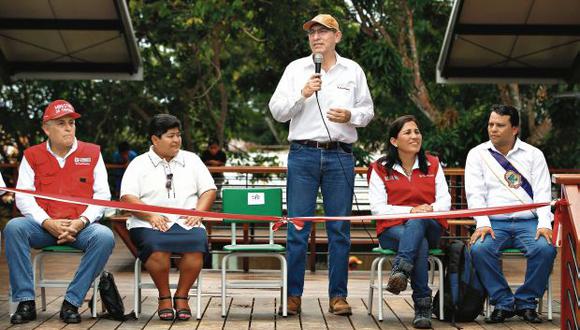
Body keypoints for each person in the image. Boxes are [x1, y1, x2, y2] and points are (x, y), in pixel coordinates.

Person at [269, 13, 374, 316]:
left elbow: (368, 112)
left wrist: (351, 116)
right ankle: (293, 296)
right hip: (303, 154)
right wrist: (302, 94)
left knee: (339, 230)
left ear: (337, 36)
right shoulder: (295, 69)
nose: (316, 37)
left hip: (340, 154)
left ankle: (337, 297)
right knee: (298, 229)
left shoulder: (352, 70)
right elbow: (277, 111)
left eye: (323, 32)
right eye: (312, 32)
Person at [4, 100, 114, 324]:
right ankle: (26, 302)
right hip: (43, 227)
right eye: (61, 123)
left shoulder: (92, 153)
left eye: (71, 123)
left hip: (80, 227)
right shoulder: (32, 155)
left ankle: (72, 302)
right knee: (14, 228)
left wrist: (81, 221)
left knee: (104, 236)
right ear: (46, 128)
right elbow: (23, 197)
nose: (68, 128)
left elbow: (102, 195)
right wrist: (47, 222)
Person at [120, 114, 216, 321]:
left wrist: (198, 212)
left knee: (196, 244)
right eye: (170, 136)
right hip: (148, 222)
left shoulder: (192, 159)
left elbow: (209, 190)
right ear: (155, 139)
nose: (176, 140)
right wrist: (150, 214)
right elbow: (127, 197)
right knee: (157, 249)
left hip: (186, 220)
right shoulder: (138, 163)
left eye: (178, 135)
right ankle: (164, 297)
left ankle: (181, 296)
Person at [466, 104, 556, 324]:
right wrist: (481, 223)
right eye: (490, 124)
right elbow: (475, 194)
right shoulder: (477, 154)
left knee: (545, 249)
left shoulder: (534, 155)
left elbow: (543, 193)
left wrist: (545, 223)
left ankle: (526, 302)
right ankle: (503, 302)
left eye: (500, 125)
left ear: (514, 128)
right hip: (493, 222)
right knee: (479, 249)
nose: (493, 129)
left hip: (529, 222)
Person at [368, 115, 450, 328]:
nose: (415, 136)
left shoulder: (432, 163)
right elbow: (378, 209)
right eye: (408, 132)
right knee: (418, 240)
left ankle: (401, 270)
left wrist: (427, 210)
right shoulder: (380, 168)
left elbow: (445, 201)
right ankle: (423, 306)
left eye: (417, 132)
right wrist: (411, 210)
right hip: (391, 230)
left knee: (418, 224)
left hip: (431, 225)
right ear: (394, 141)